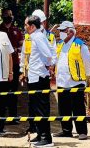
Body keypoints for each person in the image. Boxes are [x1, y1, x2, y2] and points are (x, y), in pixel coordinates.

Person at [54, 21, 90, 140]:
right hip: (62, 81)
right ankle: (66, 130)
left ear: (71, 31)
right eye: (60, 31)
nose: (60, 33)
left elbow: (88, 62)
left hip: (76, 81)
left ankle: (82, 131)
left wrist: (84, 75)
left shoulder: (80, 44)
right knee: (63, 107)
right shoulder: (59, 44)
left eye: (63, 31)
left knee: (78, 107)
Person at [19, 15, 54, 147]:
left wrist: (46, 66)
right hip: (34, 76)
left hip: (39, 77)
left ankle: (46, 138)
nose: (25, 27)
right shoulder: (35, 37)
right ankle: (40, 134)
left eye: (26, 25)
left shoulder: (38, 37)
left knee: (41, 109)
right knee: (35, 107)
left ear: (32, 26)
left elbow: (48, 54)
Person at [0, 9, 23, 122]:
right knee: (1, 91)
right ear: (2, 16)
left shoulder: (16, 30)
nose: (8, 17)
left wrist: (17, 49)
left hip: (15, 64)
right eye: (6, 15)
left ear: (12, 16)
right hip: (0, 65)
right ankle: (1, 117)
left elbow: (22, 46)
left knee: (13, 91)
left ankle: (13, 116)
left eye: (10, 15)